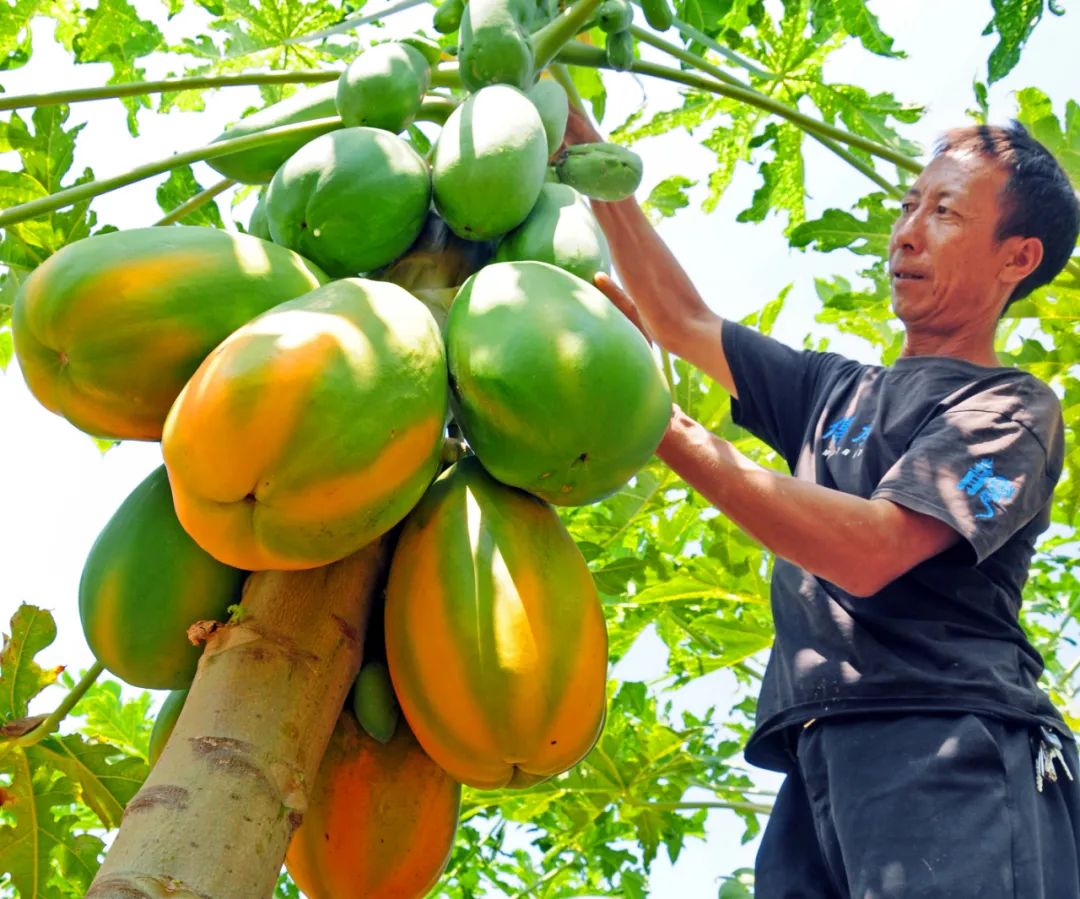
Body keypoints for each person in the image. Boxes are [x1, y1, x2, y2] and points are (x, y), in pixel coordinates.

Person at [564, 108, 1080, 897]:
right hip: (816, 755)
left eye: (944, 211)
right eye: (909, 205)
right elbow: (680, 319)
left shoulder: (1011, 408)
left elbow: (871, 551)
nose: (907, 232)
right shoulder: (835, 389)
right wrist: (579, 137)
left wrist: (662, 425)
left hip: (951, 742)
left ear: (1019, 256)